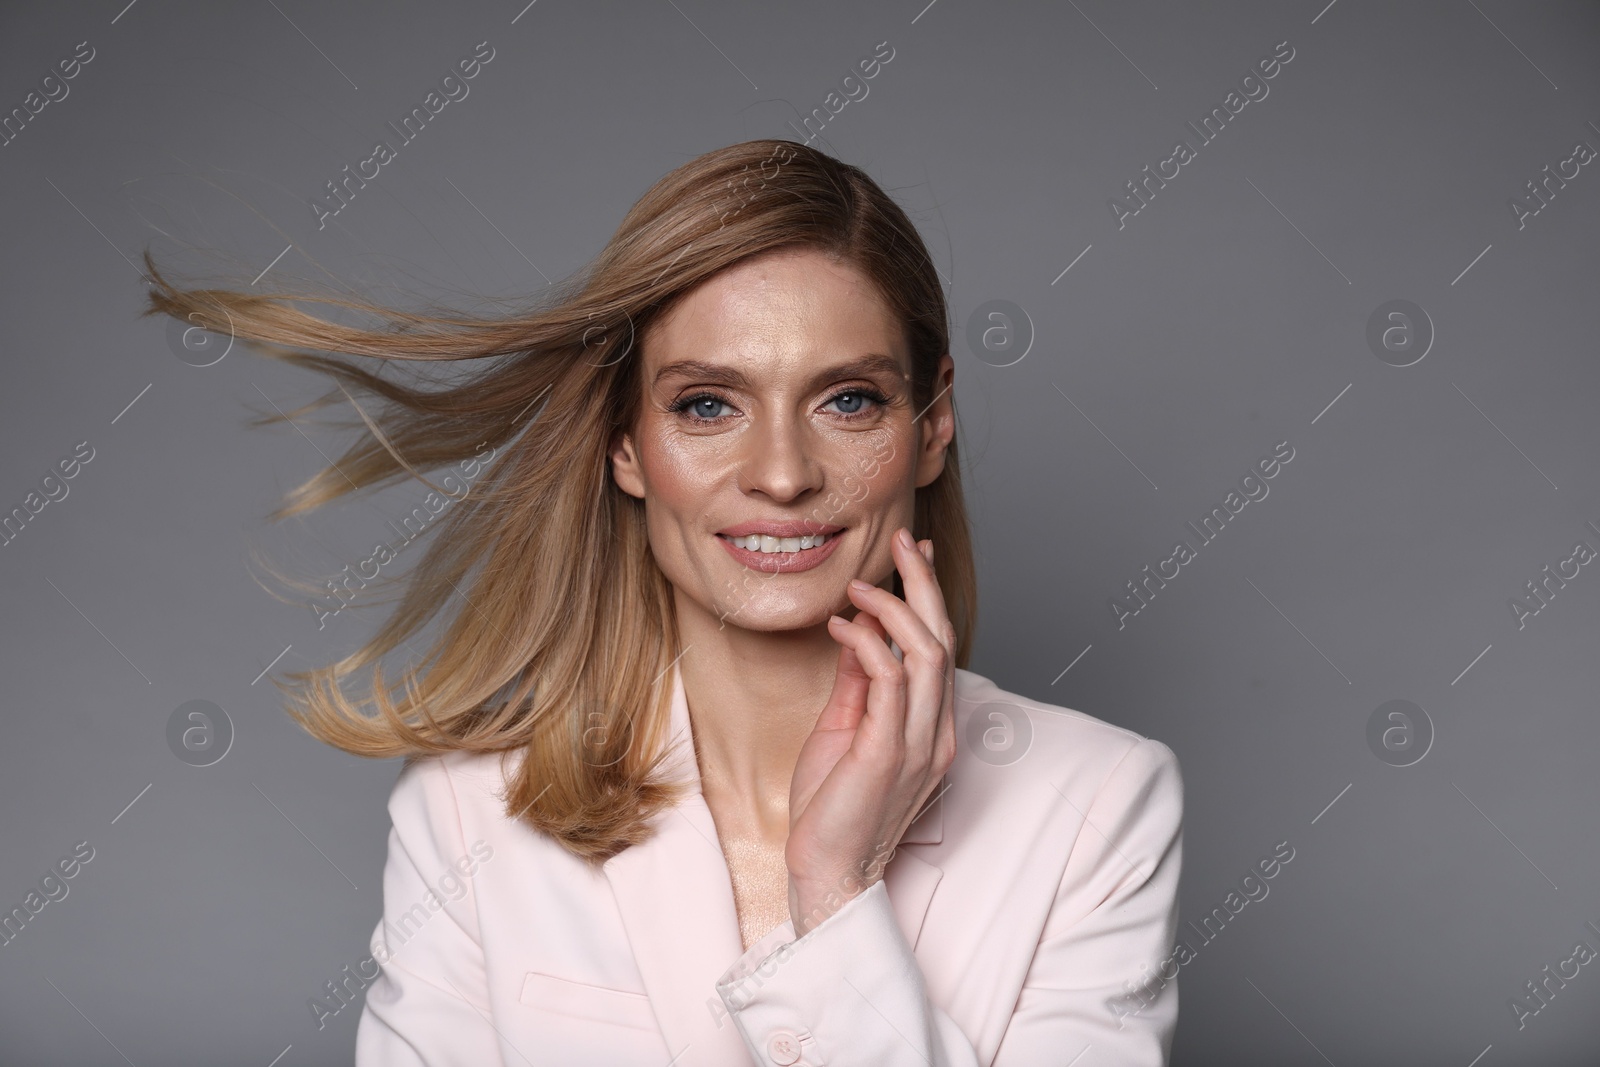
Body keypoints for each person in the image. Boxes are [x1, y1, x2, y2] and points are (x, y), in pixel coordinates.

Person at [143, 139, 1183, 1065]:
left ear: (931, 421)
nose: (781, 472)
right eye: (707, 404)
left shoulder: (1098, 804)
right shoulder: (463, 809)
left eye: (848, 399)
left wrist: (832, 890)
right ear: (625, 443)